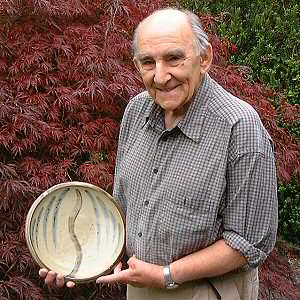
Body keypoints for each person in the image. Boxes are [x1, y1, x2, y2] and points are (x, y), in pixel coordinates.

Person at [40, 8, 278, 300]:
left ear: (204, 59)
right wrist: (80, 258)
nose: (161, 76)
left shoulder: (239, 126)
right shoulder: (136, 110)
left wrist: (166, 275)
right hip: (141, 287)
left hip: (206, 290)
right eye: (148, 62)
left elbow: (247, 242)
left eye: (174, 58)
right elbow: (125, 206)